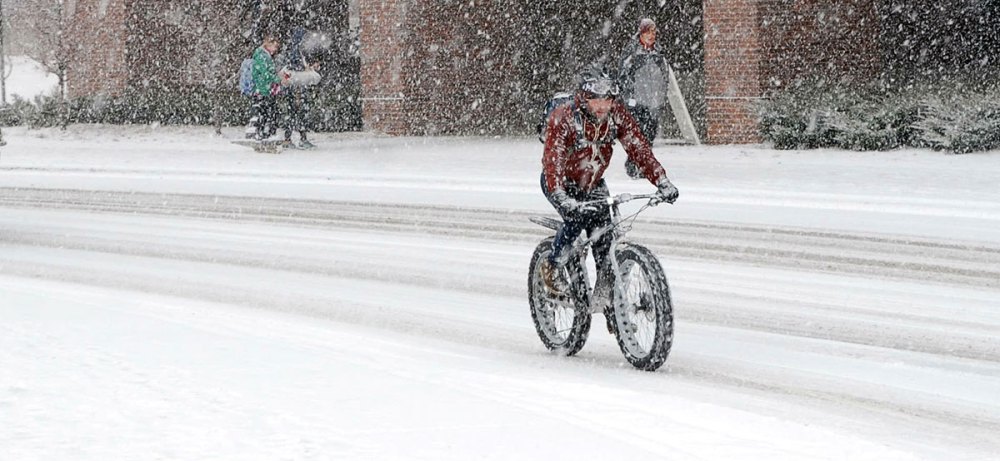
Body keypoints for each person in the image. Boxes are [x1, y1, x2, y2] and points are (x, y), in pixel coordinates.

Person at [539, 64, 679, 311]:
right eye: (596, 100)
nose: (602, 106)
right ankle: (551, 267)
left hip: (593, 184)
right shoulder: (564, 118)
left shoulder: (617, 115)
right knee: (576, 219)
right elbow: (554, 159)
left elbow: (638, 148)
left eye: (607, 99)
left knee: (605, 240)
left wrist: (661, 180)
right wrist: (561, 194)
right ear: (584, 97)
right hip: (561, 183)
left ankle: (608, 303)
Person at [618, 18, 672, 179]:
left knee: (649, 134)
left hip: (654, 102)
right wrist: (630, 98)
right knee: (637, 135)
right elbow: (623, 76)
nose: (651, 35)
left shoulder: (659, 53)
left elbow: (665, 75)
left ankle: (644, 165)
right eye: (648, 32)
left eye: (654, 32)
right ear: (641, 33)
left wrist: (661, 95)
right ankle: (634, 165)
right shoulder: (632, 52)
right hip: (636, 102)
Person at [276, 26, 320, 149]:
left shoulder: (296, 50)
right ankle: (298, 139)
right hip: (297, 88)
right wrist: (306, 69)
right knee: (299, 113)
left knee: (294, 113)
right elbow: (294, 66)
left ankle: (290, 139)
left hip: (295, 88)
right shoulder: (295, 50)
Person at [250, 32, 288, 141]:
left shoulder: (266, 55)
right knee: (266, 113)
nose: (275, 49)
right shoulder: (261, 55)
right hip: (263, 89)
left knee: (270, 113)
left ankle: (268, 134)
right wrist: (279, 79)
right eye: (274, 46)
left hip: (267, 89)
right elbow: (265, 73)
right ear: (267, 44)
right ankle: (263, 134)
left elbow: (269, 73)